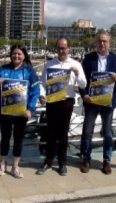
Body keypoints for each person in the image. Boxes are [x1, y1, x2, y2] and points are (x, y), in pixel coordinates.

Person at [36, 37, 87, 176]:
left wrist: (77, 73)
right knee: (50, 133)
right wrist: (42, 95)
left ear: (69, 48)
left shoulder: (76, 64)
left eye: (64, 48)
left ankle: (62, 163)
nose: (61, 50)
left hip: (67, 102)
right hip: (52, 101)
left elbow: (83, 84)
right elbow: (42, 83)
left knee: (63, 134)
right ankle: (48, 161)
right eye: (59, 47)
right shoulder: (49, 64)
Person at [79, 31, 116, 175]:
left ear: (109, 43)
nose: (102, 43)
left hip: (108, 102)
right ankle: (86, 159)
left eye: (105, 41)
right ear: (96, 43)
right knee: (87, 132)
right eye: (100, 41)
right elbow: (82, 81)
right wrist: (84, 94)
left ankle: (107, 161)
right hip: (91, 102)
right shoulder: (88, 59)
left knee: (107, 133)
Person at [0, 44, 40, 179]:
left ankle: (15, 167)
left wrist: (30, 109)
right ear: (10, 55)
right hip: (5, 111)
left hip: (21, 113)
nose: (16, 56)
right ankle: (2, 164)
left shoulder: (30, 71)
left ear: (24, 55)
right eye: (14, 53)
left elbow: (35, 92)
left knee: (18, 140)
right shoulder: (2, 69)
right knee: (4, 139)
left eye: (19, 54)